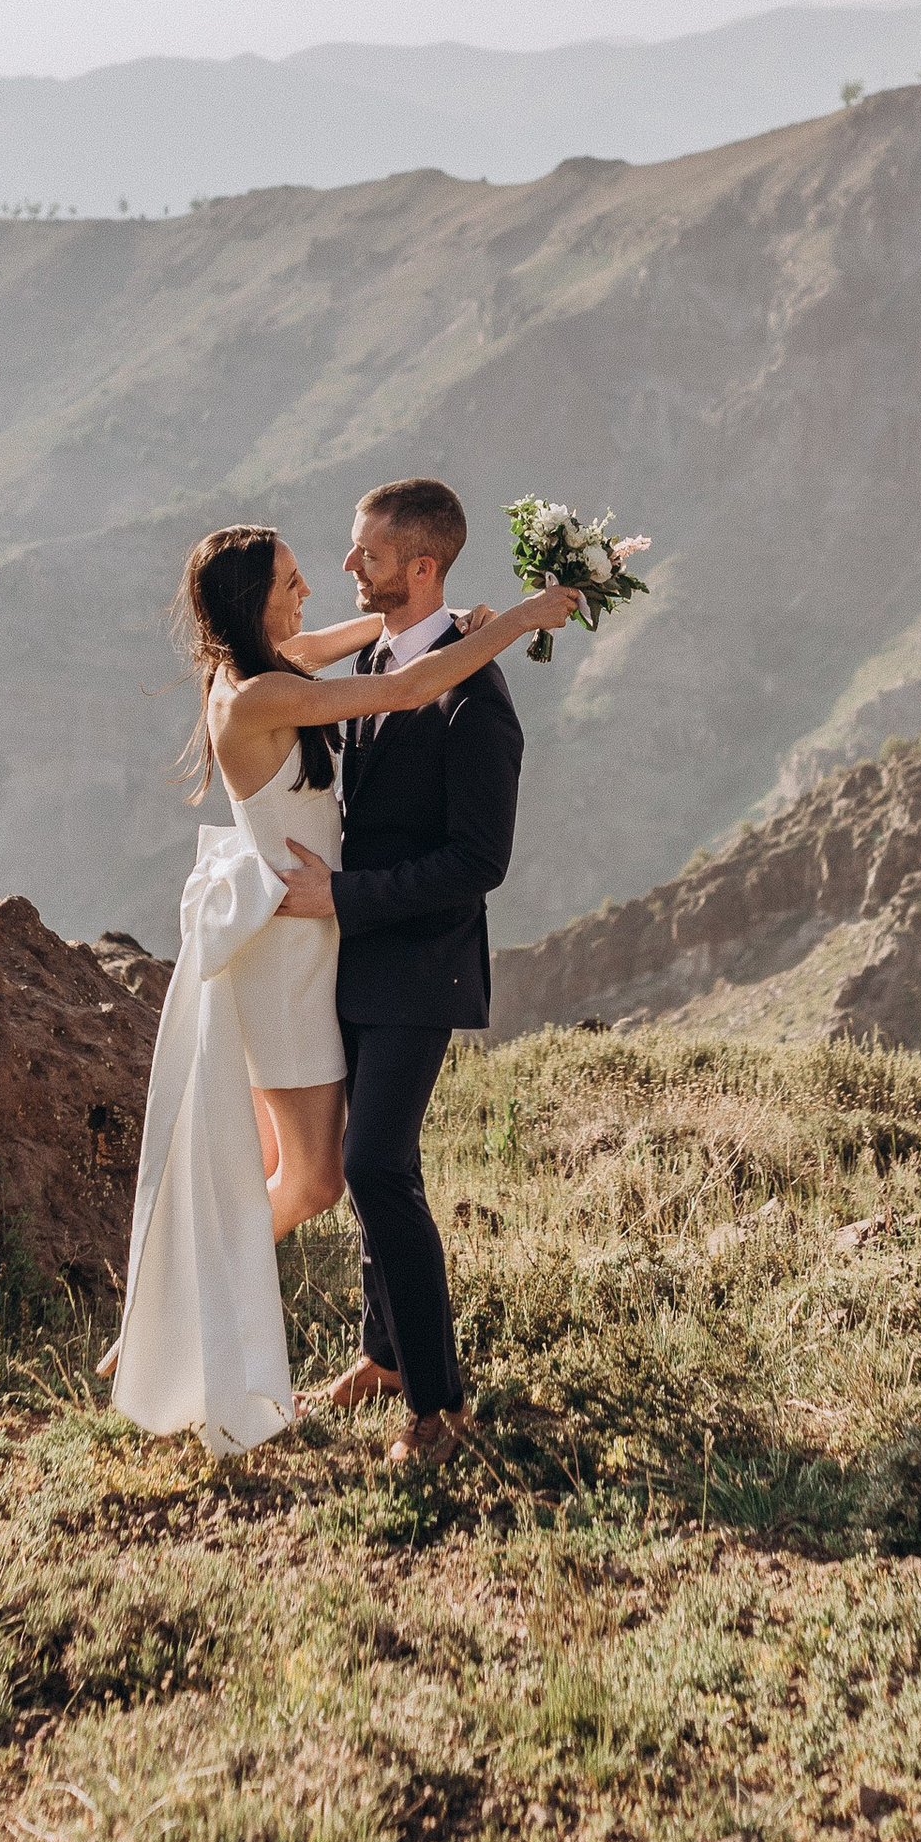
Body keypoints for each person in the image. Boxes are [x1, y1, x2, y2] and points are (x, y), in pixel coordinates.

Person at [106, 518, 573, 1454]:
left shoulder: (268, 661)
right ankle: (168, 1313)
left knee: (328, 1172)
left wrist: (450, 623)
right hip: (290, 955)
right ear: (252, 602)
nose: (314, 585)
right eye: (290, 578)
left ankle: (224, 1322)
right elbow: (402, 688)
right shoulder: (260, 693)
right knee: (322, 1177)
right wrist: (518, 619)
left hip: (321, 945)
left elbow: (373, 648)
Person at [271, 476, 532, 1468]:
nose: (349, 567)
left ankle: (439, 1410)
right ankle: (384, 1356)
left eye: (368, 555)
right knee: (385, 1170)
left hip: (419, 968)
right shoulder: (379, 659)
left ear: (422, 567)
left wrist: (340, 898)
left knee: (375, 1165)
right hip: (346, 962)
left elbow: (479, 864)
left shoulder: (476, 705)